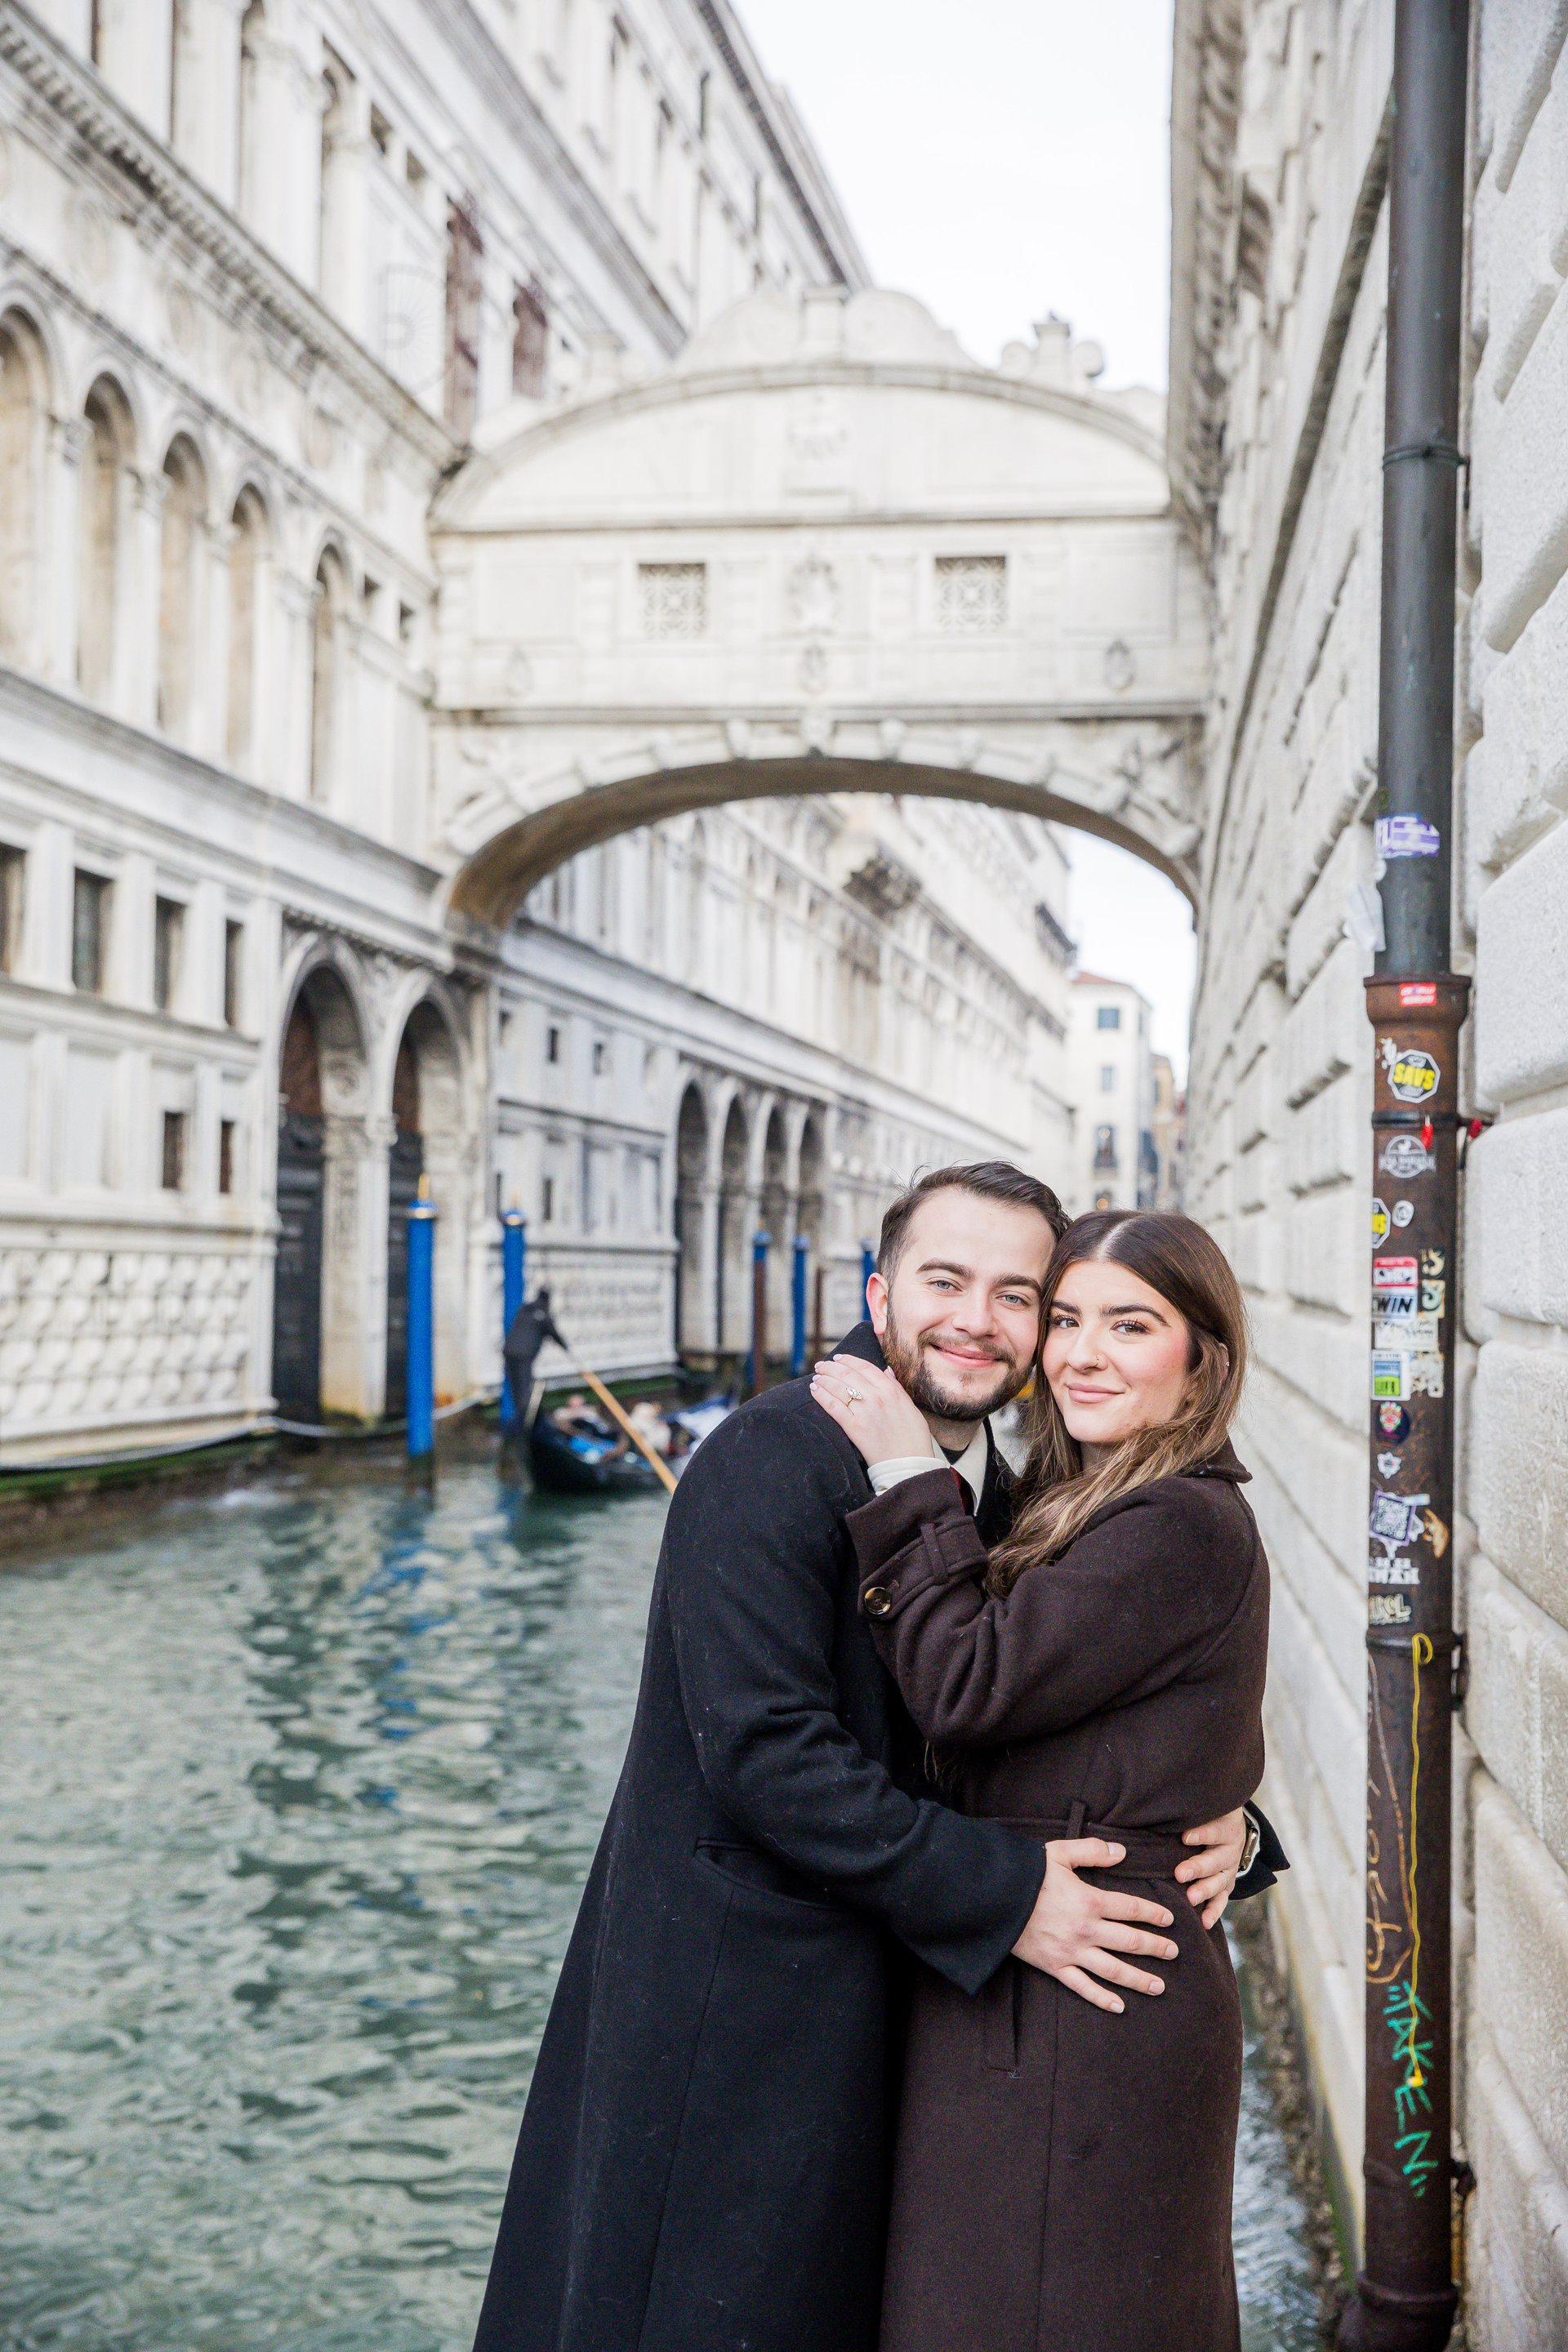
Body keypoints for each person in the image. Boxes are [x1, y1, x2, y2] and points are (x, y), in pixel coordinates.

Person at [473, 1165, 1281, 2352]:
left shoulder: (1008, 1501)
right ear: (879, 1292)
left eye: (1020, 1296)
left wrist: (1230, 1828)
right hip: (744, 2027)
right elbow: (767, 1755)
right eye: (945, 1281)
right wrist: (1006, 1897)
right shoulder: (765, 1457)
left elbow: (1073, 1711)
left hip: (907, 2019)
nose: (979, 1320)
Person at [811, 1207, 1272, 2352]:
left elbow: (967, 1686)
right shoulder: (1090, 1506)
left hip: (1086, 2016)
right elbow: (1151, 1729)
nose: (1080, 1353)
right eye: (1064, 1319)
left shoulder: (1177, 1521)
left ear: (1199, 1357)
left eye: (1130, 1324)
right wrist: (1247, 1830)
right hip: (1051, 1990)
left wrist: (904, 1468)